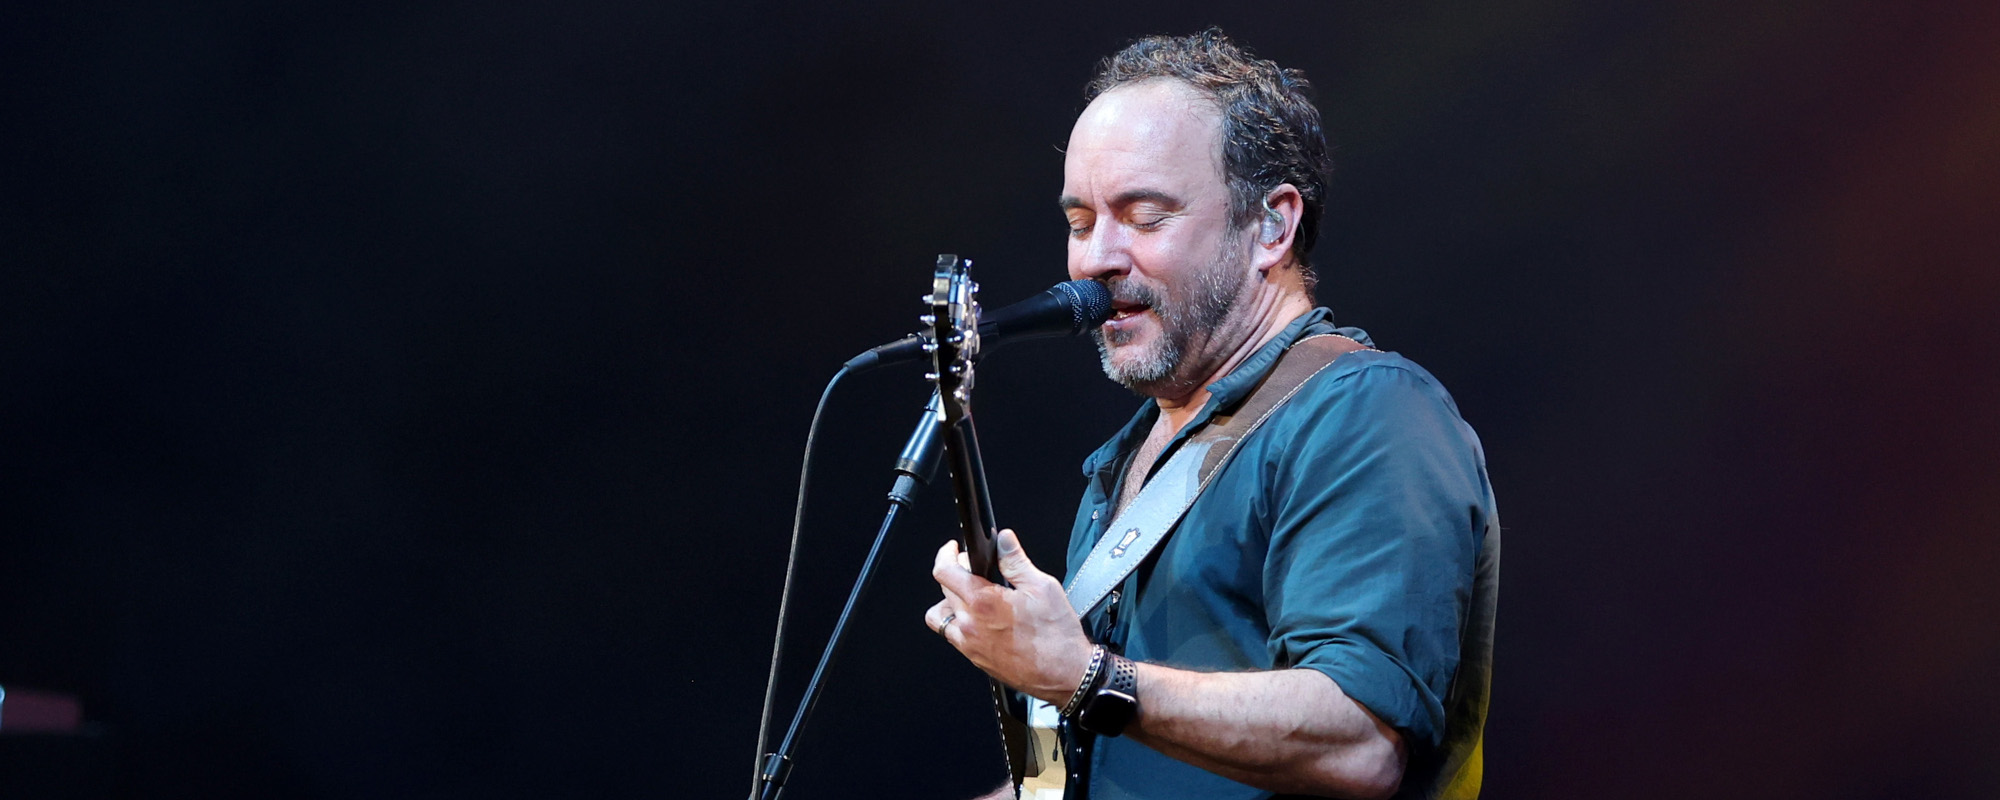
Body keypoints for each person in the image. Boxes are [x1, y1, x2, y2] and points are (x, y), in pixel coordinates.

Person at [925, 29, 1499, 800]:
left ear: (1271, 226)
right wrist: (1056, 695)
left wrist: (1082, 674)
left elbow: (1360, 742)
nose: (1095, 259)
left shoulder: (1366, 412)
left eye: (1144, 215)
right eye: (1081, 222)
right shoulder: (1123, 462)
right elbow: (1060, 781)